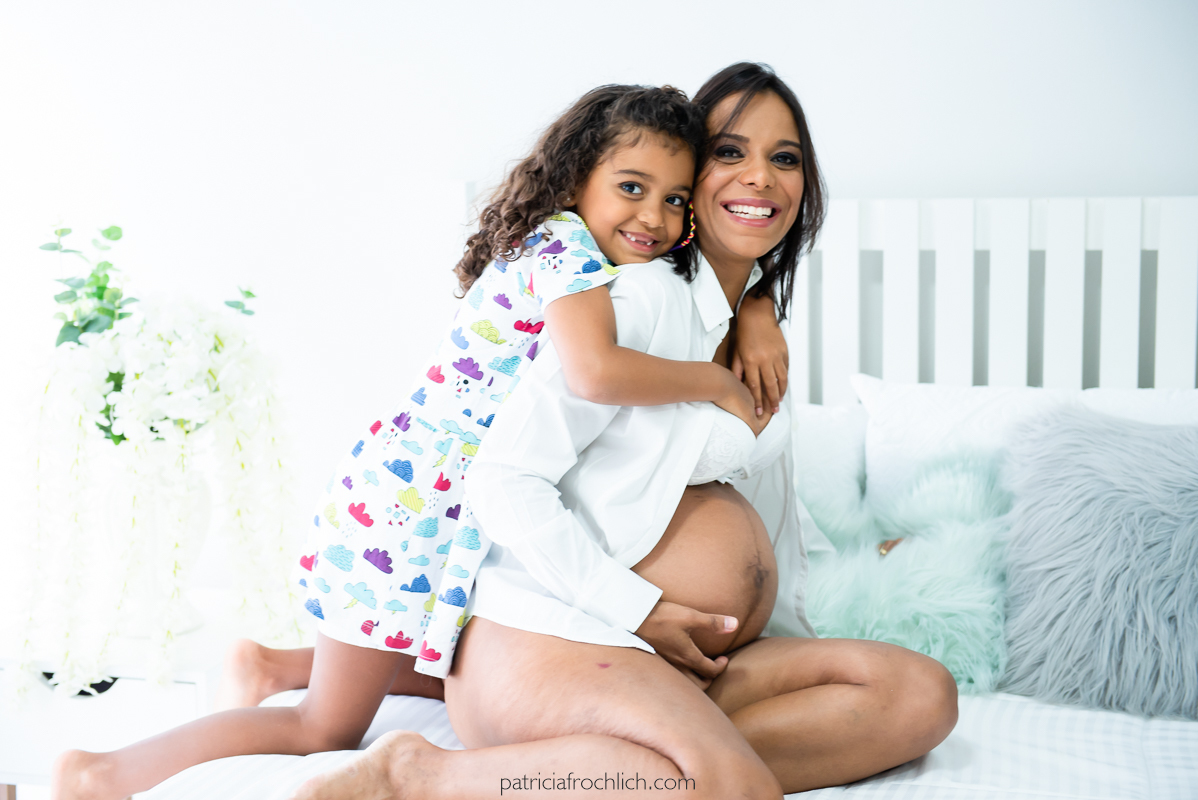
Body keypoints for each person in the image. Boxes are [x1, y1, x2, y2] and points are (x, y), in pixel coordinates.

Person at [50, 83, 785, 800]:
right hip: (414, 504)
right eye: (631, 187)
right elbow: (595, 373)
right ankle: (99, 774)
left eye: (675, 199)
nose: (654, 216)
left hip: (428, 496)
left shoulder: (570, 250)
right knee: (324, 727)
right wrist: (713, 382)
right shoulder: (569, 254)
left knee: (444, 660)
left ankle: (273, 666)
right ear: (574, 180)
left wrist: (755, 301)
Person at [291, 62, 958, 800]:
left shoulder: (753, 329)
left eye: (786, 157)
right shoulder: (630, 302)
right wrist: (638, 608)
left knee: (920, 694)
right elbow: (503, 478)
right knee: (725, 783)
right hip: (561, 634)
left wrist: (758, 302)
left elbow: (769, 507)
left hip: (681, 658)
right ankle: (423, 774)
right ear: (692, 176)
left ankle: (636, 765)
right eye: (730, 152)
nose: (761, 176)